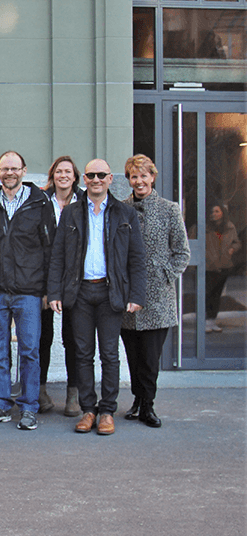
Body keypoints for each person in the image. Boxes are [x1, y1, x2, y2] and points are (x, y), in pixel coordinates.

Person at [48, 159, 146, 437]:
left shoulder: (125, 213)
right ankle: (88, 409)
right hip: (78, 292)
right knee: (82, 353)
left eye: (101, 175)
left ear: (110, 178)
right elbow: (58, 255)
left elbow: (137, 258)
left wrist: (136, 294)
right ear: (85, 179)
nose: (96, 179)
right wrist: (55, 291)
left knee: (109, 354)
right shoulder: (71, 213)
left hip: (109, 292)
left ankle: (106, 411)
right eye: (90, 175)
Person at [0, 151, 56, 431]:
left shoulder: (39, 202)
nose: (9, 173)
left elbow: (50, 247)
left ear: (24, 171)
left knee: (30, 351)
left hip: (29, 289)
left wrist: (49, 289)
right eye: (4, 168)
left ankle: (29, 407)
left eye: (14, 168)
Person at [120, 154, 190, 428]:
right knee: (134, 357)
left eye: (143, 176)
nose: (139, 181)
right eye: (133, 176)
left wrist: (164, 275)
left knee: (150, 359)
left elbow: (182, 253)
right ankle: (138, 399)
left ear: (153, 177)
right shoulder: (122, 208)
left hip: (158, 299)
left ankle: (148, 406)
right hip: (128, 298)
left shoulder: (169, 209)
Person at [41, 155, 82, 416]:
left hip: (76, 278)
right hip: (44, 277)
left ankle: (73, 394)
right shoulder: (40, 201)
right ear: (52, 175)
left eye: (68, 171)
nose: (63, 175)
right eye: (59, 171)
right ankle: (40, 390)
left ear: (75, 176)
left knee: (74, 338)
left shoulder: (85, 201)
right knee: (43, 337)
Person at [203, 203, 241, 333]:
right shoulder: (204, 227)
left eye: (217, 211)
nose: (214, 214)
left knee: (216, 294)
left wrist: (232, 249)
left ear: (223, 213)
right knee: (207, 294)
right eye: (212, 212)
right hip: (208, 266)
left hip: (224, 266)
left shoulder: (229, 227)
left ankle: (212, 321)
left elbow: (237, 242)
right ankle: (205, 321)